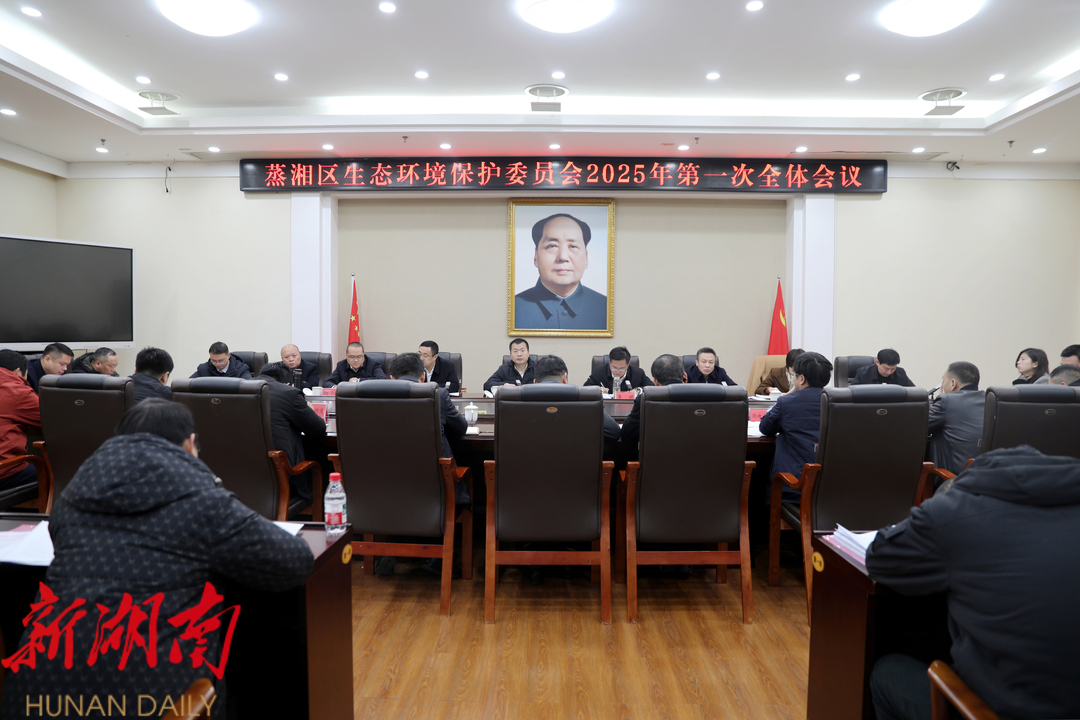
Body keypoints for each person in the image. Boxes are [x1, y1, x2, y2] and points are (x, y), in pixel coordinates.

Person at [0, 399, 314, 719]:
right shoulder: (200, 498)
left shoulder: (72, 496)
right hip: (150, 701)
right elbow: (295, 562)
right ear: (190, 443)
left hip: (32, 696)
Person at [866, 446, 1080, 720]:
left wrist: (944, 502)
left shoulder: (956, 511)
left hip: (998, 711)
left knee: (887, 673)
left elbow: (880, 556)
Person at [376, 352, 469, 577]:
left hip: (381, 487)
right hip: (433, 487)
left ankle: (390, 552)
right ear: (422, 377)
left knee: (400, 488)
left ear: (391, 378)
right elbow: (460, 429)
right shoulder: (438, 394)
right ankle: (435, 557)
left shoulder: (370, 397)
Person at [758, 352, 833, 503]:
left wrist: (788, 395)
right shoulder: (837, 402)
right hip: (830, 489)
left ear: (802, 379)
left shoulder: (788, 402)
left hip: (794, 488)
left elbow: (765, 427)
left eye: (794, 375)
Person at [513, 213, 607, 330]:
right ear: (536, 256)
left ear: (586, 258)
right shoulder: (512, 309)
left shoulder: (607, 308)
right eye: (552, 246)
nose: (563, 257)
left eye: (573, 246)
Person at [258, 362, 327, 501]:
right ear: (287, 383)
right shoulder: (288, 393)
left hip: (242, 476)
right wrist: (309, 409)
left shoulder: (240, 390)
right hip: (282, 476)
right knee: (322, 461)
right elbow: (318, 429)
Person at [535, 355, 620, 444]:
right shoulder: (584, 402)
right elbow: (614, 432)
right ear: (564, 378)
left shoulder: (523, 403)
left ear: (535, 382)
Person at [926, 361, 984, 476]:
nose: (943, 385)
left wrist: (942, 398)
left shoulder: (946, 401)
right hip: (986, 474)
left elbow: (917, 427)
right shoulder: (990, 399)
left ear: (953, 383)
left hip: (952, 478)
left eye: (943, 381)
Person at [619, 354, 688, 450]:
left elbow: (626, 435)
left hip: (655, 457)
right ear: (685, 376)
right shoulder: (702, 398)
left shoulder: (644, 399)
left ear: (655, 381)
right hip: (697, 458)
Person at [0, 349, 41, 493]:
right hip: (4, 472)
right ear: (18, 371)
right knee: (55, 475)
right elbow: (53, 418)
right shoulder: (17, 392)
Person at [583, 346, 651, 392]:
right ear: (609, 362)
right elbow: (585, 389)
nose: (618, 371)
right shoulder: (598, 372)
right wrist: (599, 390)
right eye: (614, 368)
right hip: (605, 407)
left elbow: (651, 388)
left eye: (622, 368)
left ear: (628, 364)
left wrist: (638, 390)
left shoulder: (638, 374)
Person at [850, 348, 915, 387]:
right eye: (886, 368)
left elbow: (913, 392)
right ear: (877, 362)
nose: (889, 372)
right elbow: (852, 393)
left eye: (893, 369)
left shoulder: (900, 373)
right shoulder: (863, 373)